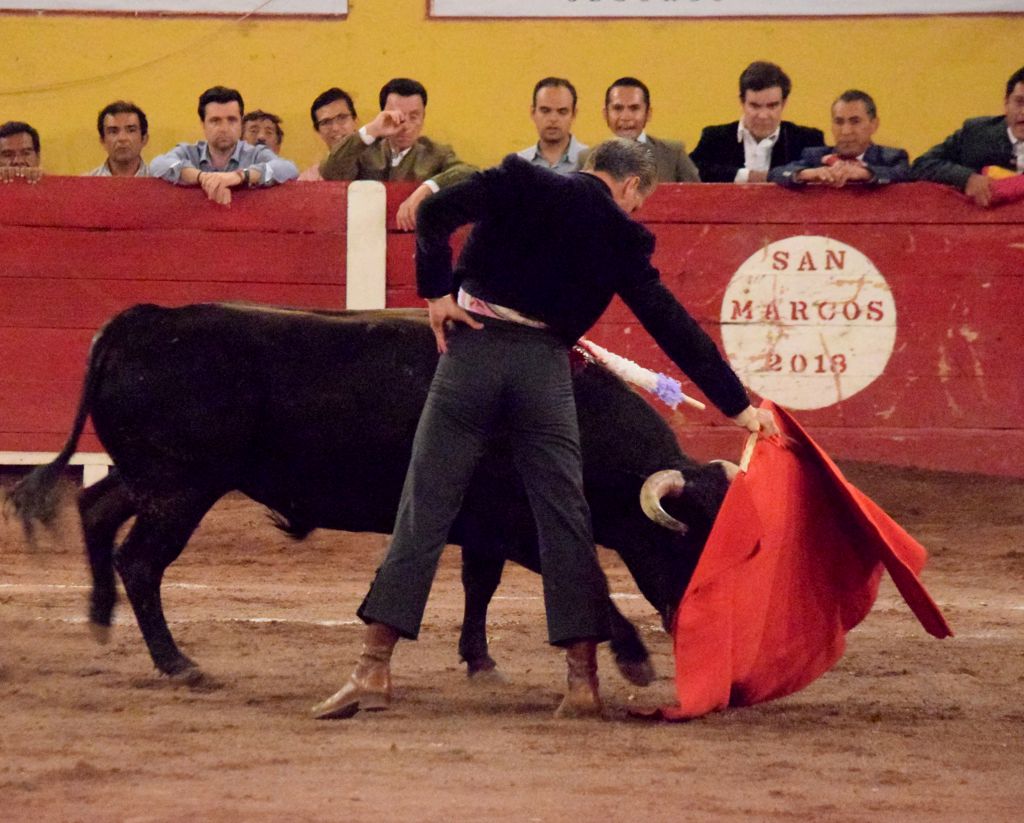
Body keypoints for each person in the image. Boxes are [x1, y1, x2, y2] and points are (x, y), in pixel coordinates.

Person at [310, 139, 778, 722]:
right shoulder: (623, 237)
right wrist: (738, 408)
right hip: (546, 373)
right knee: (564, 518)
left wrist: (434, 293)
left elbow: (431, 215)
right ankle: (582, 684)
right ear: (631, 187)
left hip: (472, 356)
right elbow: (673, 326)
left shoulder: (521, 181)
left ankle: (372, 670)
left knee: (425, 504)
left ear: (590, 168)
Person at [320, 77, 475, 229]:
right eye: (397, 116)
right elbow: (330, 171)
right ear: (383, 116)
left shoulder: (435, 153)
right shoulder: (364, 151)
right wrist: (372, 129)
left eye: (414, 117)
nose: (405, 125)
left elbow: (469, 173)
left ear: (423, 118)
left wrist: (426, 189)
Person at [150, 85, 298, 206]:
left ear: (241, 122)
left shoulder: (255, 154)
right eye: (215, 121)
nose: (224, 128)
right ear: (203, 124)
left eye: (232, 120)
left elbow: (289, 169)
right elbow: (157, 164)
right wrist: (202, 177)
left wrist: (238, 176)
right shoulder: (189, 152)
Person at [690, 61, 824, 183]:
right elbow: (693, 171)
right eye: (755, 106)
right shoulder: (715, 138)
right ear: (742, 102)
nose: (763, 115)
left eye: (772, 106)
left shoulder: (807, 140)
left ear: (784, 103)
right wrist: (752, 176)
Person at [911, 65, 1024, 207]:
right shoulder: (976, 133)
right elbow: (922, 165)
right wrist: (967, 178)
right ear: (1006, 103)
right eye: (1019, 102)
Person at [770, 90, 909, 188]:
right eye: (839, 122)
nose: (846, 131)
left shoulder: (892, 158)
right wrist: (808, 173)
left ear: (874, 125)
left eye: (855, 122)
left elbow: (902, 174)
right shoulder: (815, 156)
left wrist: (865, 173)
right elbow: (776, 174)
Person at [577, 77, 699, 182]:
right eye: (618, 108)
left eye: (634, 108)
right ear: (605, 114)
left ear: (648, 113)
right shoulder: (587, 158)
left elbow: (697, 199)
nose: (625, 117)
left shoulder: (673, 155)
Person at [516, 77, 588, 176]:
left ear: (574, 114)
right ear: (533, 113)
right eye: (545, 110)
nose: (553, 119)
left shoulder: (593, 164)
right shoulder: (518, 165)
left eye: (562, 112)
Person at [298, 87, 358, 181]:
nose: (335, 128)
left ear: (355, 121)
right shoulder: (310, 180)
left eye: (342, 117)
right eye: (326, 122)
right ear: (318, 131)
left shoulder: (380, 166)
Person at [87, 100, 150, 177]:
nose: (122, 138)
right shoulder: (85, 185)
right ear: (102, 140)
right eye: (113, 131)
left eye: (131, 130)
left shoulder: (162, 183)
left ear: (144, 139)